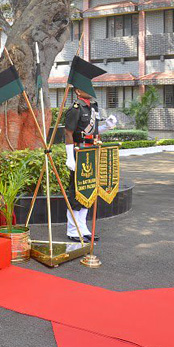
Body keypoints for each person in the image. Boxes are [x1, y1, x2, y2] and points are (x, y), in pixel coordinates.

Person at [64, 87, 117, 242]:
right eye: (87, 86)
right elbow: (68, 133)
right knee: (76, 191)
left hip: (91, 152)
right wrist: (70, 158)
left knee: (88, 189)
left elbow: (93, 132)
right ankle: (73, 230)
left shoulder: (93, 107)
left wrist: (107, 126)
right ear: (78, 91)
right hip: (78, 152)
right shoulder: (75, 109)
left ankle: (83, 228)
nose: (91, 89)